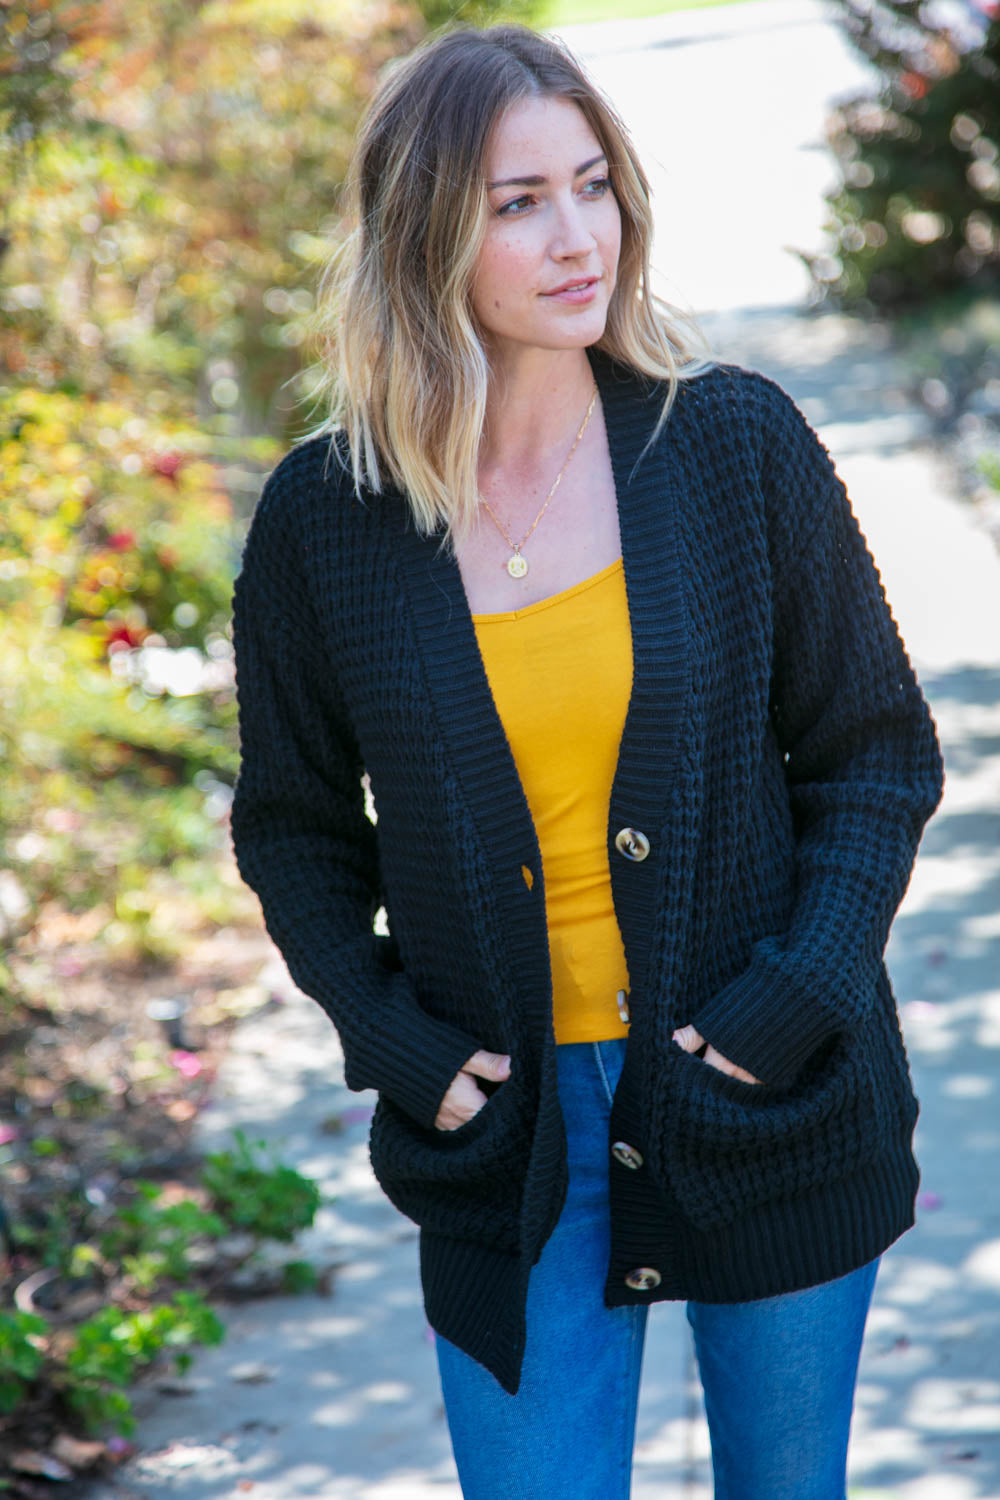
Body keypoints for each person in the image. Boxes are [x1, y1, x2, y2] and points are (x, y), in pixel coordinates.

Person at [229, 23, 944, 1500]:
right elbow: (295, 828)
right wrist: (395, 1043)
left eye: (593, 185)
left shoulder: (734, 444)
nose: (578, 238)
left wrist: (797, 995)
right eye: (519, 203)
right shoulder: (326, 520)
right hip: (508, 1138)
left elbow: (873, 753)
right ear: (426, 236)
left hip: (769, 1087)